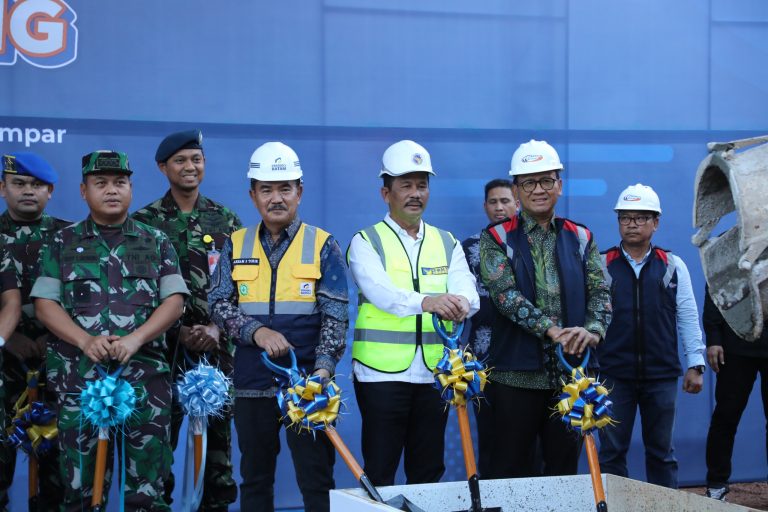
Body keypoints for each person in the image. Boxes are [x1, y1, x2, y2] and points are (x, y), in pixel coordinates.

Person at [30, 150, 189, 511]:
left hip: (145, 382)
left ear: (132, 188)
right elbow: (45, 304)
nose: (112, 190)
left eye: (120, 182)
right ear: (84, 191)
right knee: (81, 493)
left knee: (147, 494)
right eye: (100, 183)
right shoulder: (61, 242)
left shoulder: (157, 240)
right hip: (79, 382)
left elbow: (175, 302)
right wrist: (85, 340)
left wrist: (135, 338)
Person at [208, 141, 348, 512]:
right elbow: (218, 302)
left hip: (307, 385)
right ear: (252, 195)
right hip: (252, 383)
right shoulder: (235, 243)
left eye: (285, 188)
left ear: (299, 192)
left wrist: (322, 371)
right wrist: (257, 331)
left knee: (317, 482)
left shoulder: (322, 245)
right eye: (266, 189)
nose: (276, 198)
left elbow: (335, 315)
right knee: (255, 480)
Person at [348, 139, 480, 486]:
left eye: (422, 185)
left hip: (433, 375)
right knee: (380, 470)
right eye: (405, 185)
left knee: (427, 471)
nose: (415, 193)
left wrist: (462, 304)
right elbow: (382, 294)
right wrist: (429, 301)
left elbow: (466, 287)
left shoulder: (446, 240)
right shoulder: (366, 241)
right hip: (381, 376)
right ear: (385, 193)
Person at [479, 139, 611, 479]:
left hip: (571, 377)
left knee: (564, 473)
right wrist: (552, 332)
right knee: (508, 471)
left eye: (547, 180)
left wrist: (592, 331)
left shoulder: (581, 236)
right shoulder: (496, 238)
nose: (539, 190)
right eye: (529, 182)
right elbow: (504, 295)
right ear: (517, 189)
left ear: (559, 185)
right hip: (514, 377)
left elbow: (601, 291)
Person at [132, 129, 241, 511]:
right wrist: (176, 329)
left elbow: (243, 287)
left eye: (196, 159)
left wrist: (216, 327)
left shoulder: (227, 220)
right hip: (161, 355)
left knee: (218, 459)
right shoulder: (143, 223)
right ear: (163, 167)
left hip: (217, 354)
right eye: (179, 160)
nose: (189, 167)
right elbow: (135, 293)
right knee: (158, 456)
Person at [597, 183, 705, 489]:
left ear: (655, 223)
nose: (632, 223)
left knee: (661, 453)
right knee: (612, 453)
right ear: (618, 221)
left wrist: (695, 364)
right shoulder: (600, 265)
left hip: (661, 376)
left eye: (641, 217)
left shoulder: (672, 265)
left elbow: (687, 316)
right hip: (612, 376)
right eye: (625, 217)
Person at [0, 152, 69, 511]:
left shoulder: (71, 237)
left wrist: (54, 336)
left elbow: (87, 302)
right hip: (3, 370)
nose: (28, 191)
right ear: (2, 187)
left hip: (58, 367)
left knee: (58, 474)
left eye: (37, 185)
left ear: (50, 191)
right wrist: (8, 338)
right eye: (19, 183)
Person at [461, 178, 517, 478]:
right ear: (485, 207)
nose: (499, 207)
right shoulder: (469, 247)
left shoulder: (531, 244)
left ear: (517, 204)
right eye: (493, 202)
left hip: (524, 360)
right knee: (489, 438)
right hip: (482, 360)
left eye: (505, 201)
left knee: (523, 442)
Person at [703, 284, 768, 501]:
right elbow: (715, 285)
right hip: (735, 345)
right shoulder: (731, 249)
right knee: (726, 417)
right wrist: (713, 338)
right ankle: (716, 484)